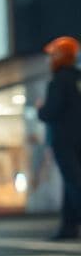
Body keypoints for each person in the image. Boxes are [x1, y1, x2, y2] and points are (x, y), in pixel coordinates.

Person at [37, 35, 81, 241]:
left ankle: (70, 225)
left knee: (73, 181)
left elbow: (50, 112)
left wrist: (40, 109)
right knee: (71, 181)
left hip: (64, 139)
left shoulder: (58, 81)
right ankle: (68, 226)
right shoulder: (77, 78)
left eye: (52, 55)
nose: (49, 60)